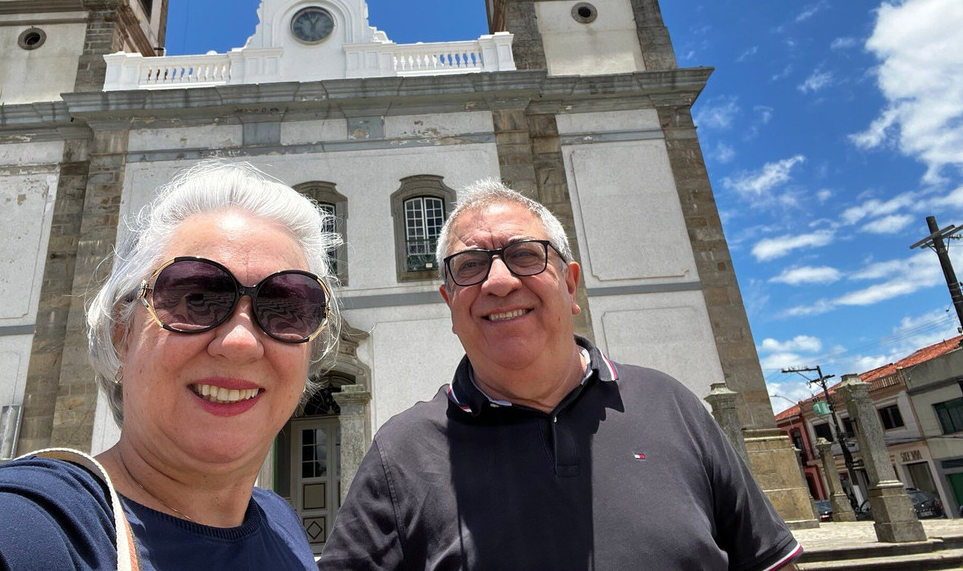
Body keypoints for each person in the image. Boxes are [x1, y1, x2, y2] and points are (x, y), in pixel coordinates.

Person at [320, 179, 802, 571]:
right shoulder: (400, 452)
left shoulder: (671, 404)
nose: (500, 281)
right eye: (470, 265)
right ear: (451, 305)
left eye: (525, 255)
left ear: (570, 284)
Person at [0, 161, 341, 570]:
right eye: (196, 298)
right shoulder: (47, 522)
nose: (240, 341)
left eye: (287, 303)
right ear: (122, 332)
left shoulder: (279, 522)